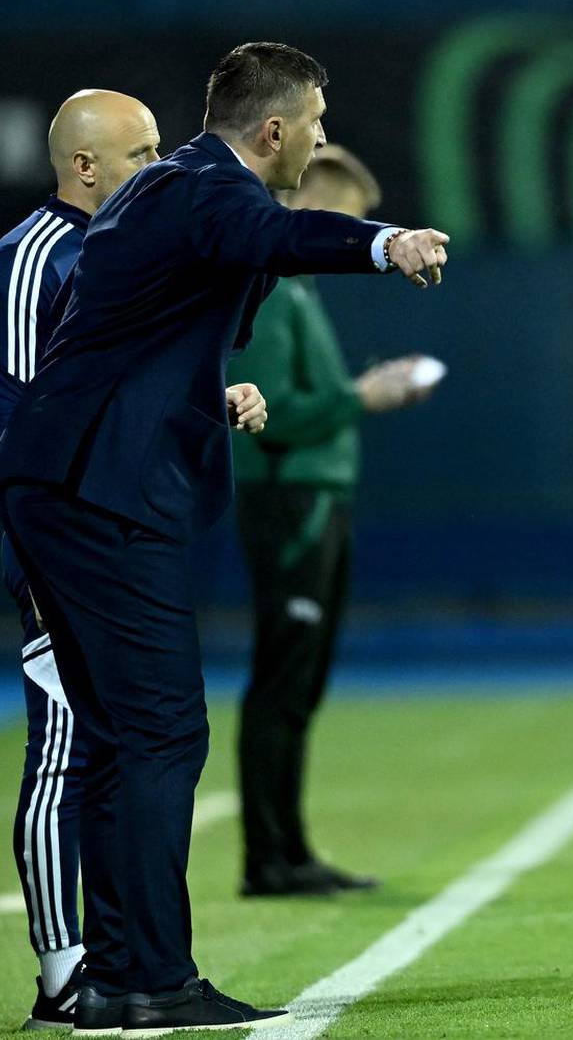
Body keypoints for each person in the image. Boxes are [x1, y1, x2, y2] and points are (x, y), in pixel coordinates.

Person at [0, 42, 449, 1035]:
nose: (322, 140)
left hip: (63, 482)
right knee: (160, 729)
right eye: (316, 125)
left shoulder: (167, 200)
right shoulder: (199, 185)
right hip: (98, 492)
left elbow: (120, 337)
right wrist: (387, 242)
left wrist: (206, 392)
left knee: (119, 735)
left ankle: (113, 977)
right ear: (272, 131)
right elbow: (281, 235)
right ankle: (150, 975)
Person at [0, 88, 160, 1030]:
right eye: (140, 152)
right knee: (64, 753)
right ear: (84, 164)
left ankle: (116, 952)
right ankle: (61, 973)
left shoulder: (115, 253)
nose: (157, 168)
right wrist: (42, 552)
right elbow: (20, 425)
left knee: (119, 748)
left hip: (112, 540)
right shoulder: (32, 257)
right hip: (57, 544)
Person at [230, 145, 439, 898]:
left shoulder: (296, 289)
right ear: (309, 196)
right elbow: (266, 412)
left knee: (299, 680)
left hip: (312, 498)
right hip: (290, 499)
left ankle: (287, 849)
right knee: (282, 677)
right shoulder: (274, 289)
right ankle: (268, 857)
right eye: (344, 218)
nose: (351, 240)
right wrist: (364, 397)